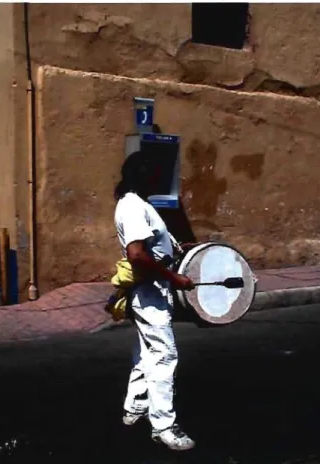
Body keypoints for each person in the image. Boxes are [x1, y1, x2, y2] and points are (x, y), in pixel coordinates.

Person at [114, 150, 196, 451]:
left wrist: (177, 247)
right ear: (142, 175)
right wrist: (174, 278)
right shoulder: (134, 205)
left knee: (146, 352)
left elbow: (151, 245)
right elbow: (137, 254)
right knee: (164, 355)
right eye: (154, 173)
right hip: (150, 292)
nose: (160, 178)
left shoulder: (138, 204)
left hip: (148, 290)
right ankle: (163, 425)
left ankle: (134, 408)